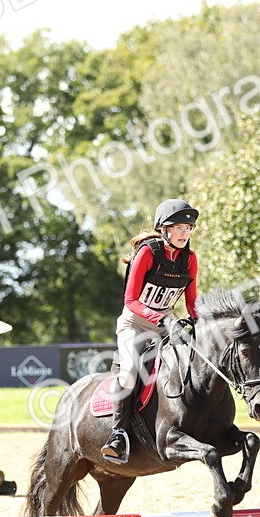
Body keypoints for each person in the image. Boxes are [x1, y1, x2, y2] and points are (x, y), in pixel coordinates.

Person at [100, 198, 200, 464]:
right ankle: (118, 435)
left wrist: (198, 322)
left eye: (188, 228)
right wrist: (162, 319)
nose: (185, 233)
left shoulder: (190, 259)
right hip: (135, 323)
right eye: (179, 228)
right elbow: (130, 300)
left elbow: (191, 301)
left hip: (166, 324)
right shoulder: (147, 253)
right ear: (164, 229)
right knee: (130, 372)